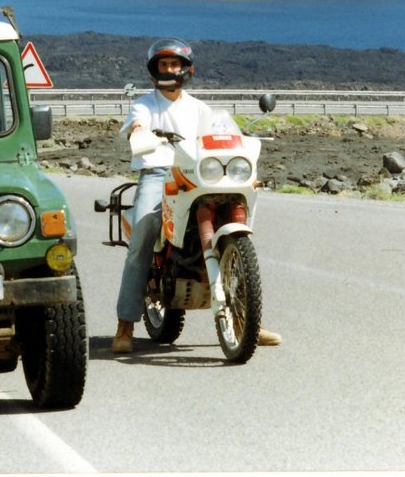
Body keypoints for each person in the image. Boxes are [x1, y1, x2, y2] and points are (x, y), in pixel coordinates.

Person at [112, 39, 281, 354]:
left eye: (174, 64)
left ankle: (248, 325)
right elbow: (135, 125)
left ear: (186, 69)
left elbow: (220, 134)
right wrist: (138, 131)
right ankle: (125, 326)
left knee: (237, 222)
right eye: (164, 65)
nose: (169, 70)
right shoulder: (145, 105)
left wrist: (240, 138)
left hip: (201, 173)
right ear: (155, 69)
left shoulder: (199, 108)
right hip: (159, 173)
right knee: (143, 233)